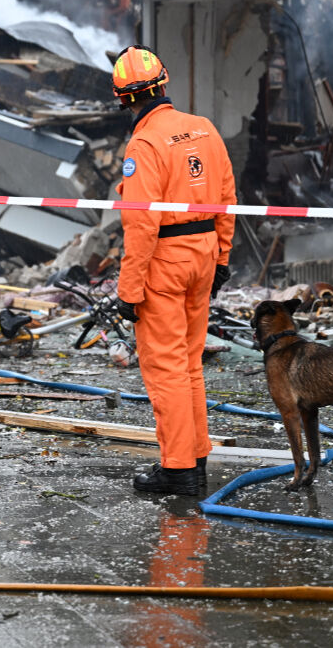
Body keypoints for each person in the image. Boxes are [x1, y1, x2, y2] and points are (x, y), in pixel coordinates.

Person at [111, 46, 236, 495]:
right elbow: (227, 198)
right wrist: (222, 258)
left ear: (123, 99)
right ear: (163, 84)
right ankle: (196, 459)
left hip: (165, 261)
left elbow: (141, 224)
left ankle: (179, 469)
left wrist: (129, 291)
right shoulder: (203, 128)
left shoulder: (143, 144)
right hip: (203, 255)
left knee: (166, 368)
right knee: (189, 363)